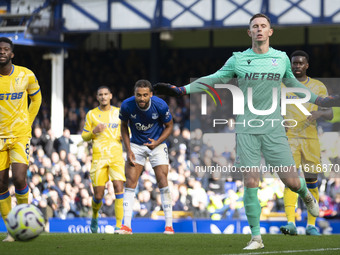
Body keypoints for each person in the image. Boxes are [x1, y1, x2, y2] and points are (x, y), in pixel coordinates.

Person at [152, 13, 340, 250]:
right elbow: (214, 79)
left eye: (263, 26)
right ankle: (256, 238)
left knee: (292, 182)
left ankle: (306, 194)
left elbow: (294, 85)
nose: (259, 29)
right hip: (247, 128)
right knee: (250, 180)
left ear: (270, 32)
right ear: (249, 32)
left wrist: (320, 101)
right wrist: (182, 90)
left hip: (274, 129)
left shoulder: (280, 59)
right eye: (255, 27)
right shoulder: (238, 59)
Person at [280, 50, 333, 236]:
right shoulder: (282, 86)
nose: (297, 66)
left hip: (310, 140)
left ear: (307, 65)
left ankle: (311, 225)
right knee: (290, 182)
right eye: (294, 63)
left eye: (300, 63)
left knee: (311, 182)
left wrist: (319, 113)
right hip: (290, 140)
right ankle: (290, 223)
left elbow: (331, 113)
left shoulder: (318, 87)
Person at [119, 79, 174, 234]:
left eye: (144, 95)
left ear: (150, 94)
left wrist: (157, 142)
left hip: (157, 144)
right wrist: (128, 148)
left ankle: (169, 226)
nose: (141, 98)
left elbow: (169, 126)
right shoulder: (127, 105)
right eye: (138, 95)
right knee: (130, 182)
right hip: (136, 144)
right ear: (134, 94)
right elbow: (123, 126)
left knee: (162, 181)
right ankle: (127, 226)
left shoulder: (160, 105)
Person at [0, 37, 42, 242]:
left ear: (12, 54)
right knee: (0, 185)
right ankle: (10, 229)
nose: (2, 52)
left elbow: (37, 98)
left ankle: (23, 222)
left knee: (18, 178)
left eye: (6, 49)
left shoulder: (26, 74)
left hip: (19, 135)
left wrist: (29, 121)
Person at [81, 86, 125, 234]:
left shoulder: (119, 112)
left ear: (111, 96)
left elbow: (128, 132)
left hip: (116, 157)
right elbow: (84, 136)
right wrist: (94, 131)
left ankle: (119, 225)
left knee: (119, 187)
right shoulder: (91, 114)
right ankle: (94, 216)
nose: (103, 97)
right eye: (101, 94)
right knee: (98, 195)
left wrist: (124, 137)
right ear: (97, 97)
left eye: (106, 94)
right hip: (99, 159)